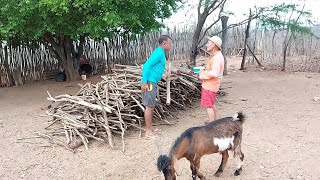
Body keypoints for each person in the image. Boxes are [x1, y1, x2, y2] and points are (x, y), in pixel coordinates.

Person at [141, 35, 172, 139]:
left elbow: (154, 68)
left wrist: (162, 76)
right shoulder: (159, 53)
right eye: (170, 43)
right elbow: (146, 65)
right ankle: (148, 132)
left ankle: (150, 129)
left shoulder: (160, 53)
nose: (171, 46)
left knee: (151, 106)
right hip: (149, 83)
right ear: (164, 44)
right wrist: (144, 82)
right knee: (149, 107)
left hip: (151, 81)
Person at [199, 36, 225, 124]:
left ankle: (211, 125)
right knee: (211, 103)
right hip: (212, 85)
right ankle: (216, 119)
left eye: (208, 43)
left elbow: (214, 73)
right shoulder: (217, 56)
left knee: (208, 105)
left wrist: (202, 74)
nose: (207, 45)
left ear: (213, 45)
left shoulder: (217, 58)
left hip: (210, 85)